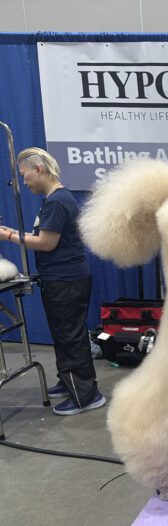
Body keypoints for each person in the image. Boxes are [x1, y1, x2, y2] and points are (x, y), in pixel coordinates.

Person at [1, 148, 105, 414]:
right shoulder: (55, 199)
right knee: (65, 334)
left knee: (70, 336)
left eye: (25, 176)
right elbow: (43, 236)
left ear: (39, 169)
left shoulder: (58, 201)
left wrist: (9, 237)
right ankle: (68, 380)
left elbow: (46, 243)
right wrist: (12, 231)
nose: (24, 183)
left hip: (65, 280)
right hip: (63, 278)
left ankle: (85, 395)